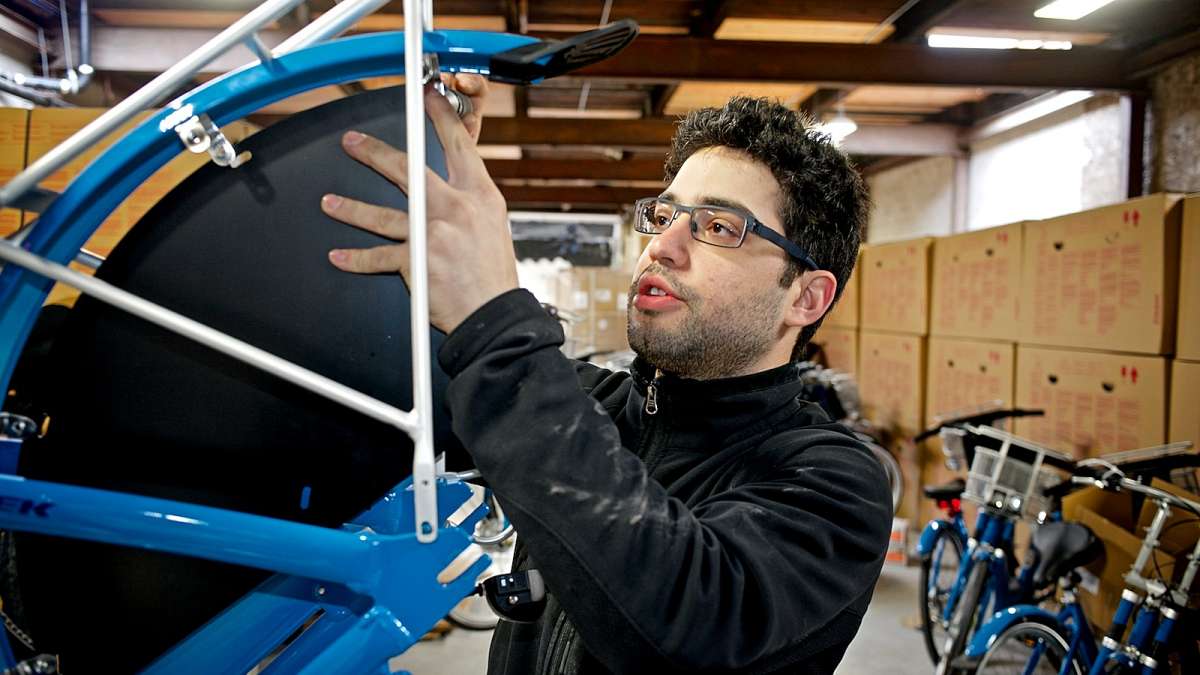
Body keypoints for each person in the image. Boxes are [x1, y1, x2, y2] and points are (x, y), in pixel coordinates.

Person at [318, 75, 892, 674]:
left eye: (720, 226)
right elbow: (385, 372)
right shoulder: (594, 406)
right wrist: (425, 172)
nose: (662, 245)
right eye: (666, 214)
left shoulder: (835, 483)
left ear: (806, 298)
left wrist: (496, 322)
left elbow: (683, 623)